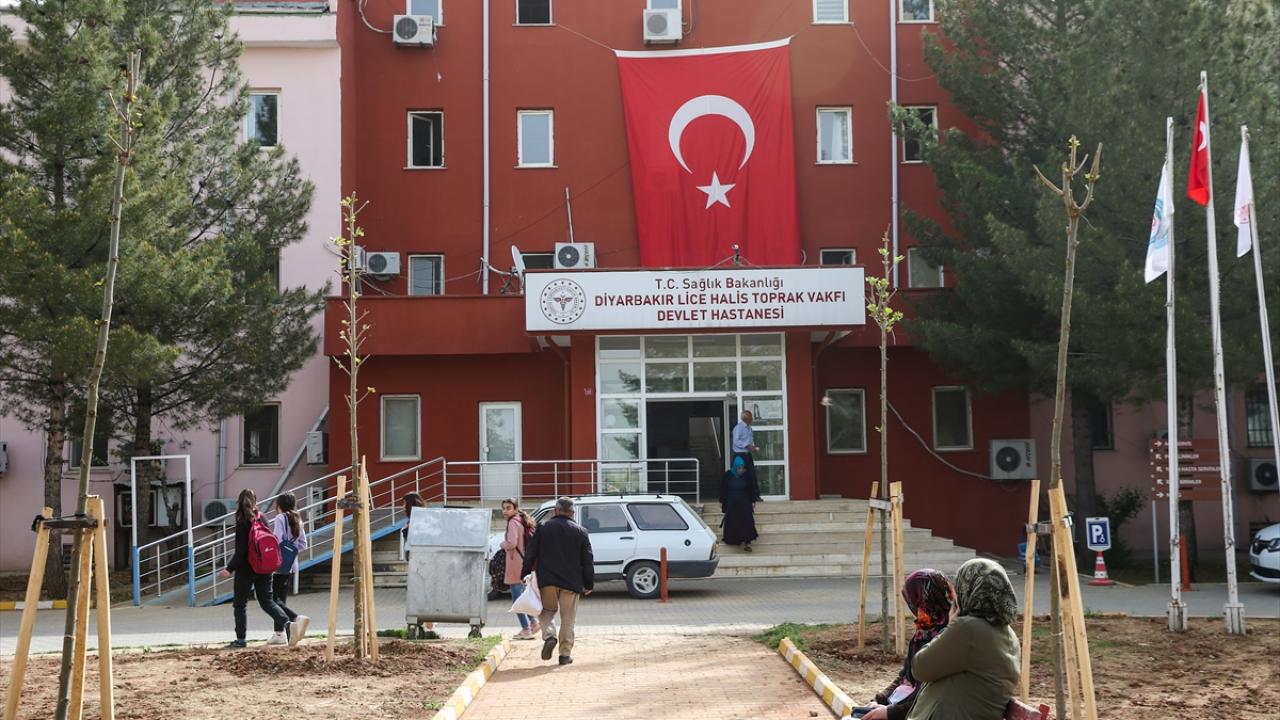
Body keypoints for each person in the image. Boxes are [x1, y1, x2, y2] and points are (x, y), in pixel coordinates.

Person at [905, 558, 1021, 720]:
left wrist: (950, 625)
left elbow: (919, 668)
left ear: (970, 589)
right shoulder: (1009, 635)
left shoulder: (968, 628)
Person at [858, 569, 956, 720]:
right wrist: (878, 701)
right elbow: (905, 676)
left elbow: (930, 697)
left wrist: (888, 712)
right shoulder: (924, 632)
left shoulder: (947, 638)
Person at [521, 496, 593, 666]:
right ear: (572, 513)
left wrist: (525, 573)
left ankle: (549, 636)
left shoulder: (543, 527)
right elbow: (587, 560)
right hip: (572, 582)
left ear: (556, 510)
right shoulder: (581, 531)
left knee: (546, 611)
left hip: (547, 580)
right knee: (568, 619)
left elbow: (531, 552)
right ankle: (565, 655)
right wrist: (589, 583)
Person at [220, 488, 296, 649]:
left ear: (239, 503)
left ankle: (241, 640)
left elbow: (241, 551)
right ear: (255, 501)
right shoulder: (262, 518)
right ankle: (288, 624)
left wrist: (229, 568)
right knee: (267, 602)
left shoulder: (242, 521)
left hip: (246, 569)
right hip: (264, 567)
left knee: (240, 604)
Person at [269, 492, 310, 646]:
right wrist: (290, 550)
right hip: (291, 564)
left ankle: (296, 618)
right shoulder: (298, 519)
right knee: (281, 598)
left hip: (277, 563)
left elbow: (277, 539)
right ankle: (280, 634)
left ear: (280, 505)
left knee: (272, 600)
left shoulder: (280, 518)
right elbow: (303, 544)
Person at [500, 498, 541, 640]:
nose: (505, 511)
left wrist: (502, 544)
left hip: (515, 563)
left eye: (508, 508)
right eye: (504, 508)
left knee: (517, 600)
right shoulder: (520, 520)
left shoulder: (512, 522)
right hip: (522, 562)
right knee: (521, 597)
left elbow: (512, 543)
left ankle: (526, 629)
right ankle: (533, 623)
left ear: (515, 509)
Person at [719, 455, 761, 551]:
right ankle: (734, 540)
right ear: (735, 466)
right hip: (732, 502)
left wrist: (753, 500)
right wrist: (722, 501)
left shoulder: (746, 476)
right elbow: (723, 489)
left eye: (742, 468)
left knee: (747, 521)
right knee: (733, 521)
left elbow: (751, 488)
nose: (741, 470)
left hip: (744, 502)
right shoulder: (728, 475)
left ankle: (747, 542)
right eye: (739, 468)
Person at [731, 409, 760, 486]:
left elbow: (750, 439)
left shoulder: (749, 428)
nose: (752, 418)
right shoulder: (738, 428)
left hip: (747, 454)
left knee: (751, 475)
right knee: (740, 475)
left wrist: (753, 447)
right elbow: (736, 441)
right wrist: (747, 445)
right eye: (750, 416)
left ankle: (753, 492)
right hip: (740, 455)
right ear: (745, 418)